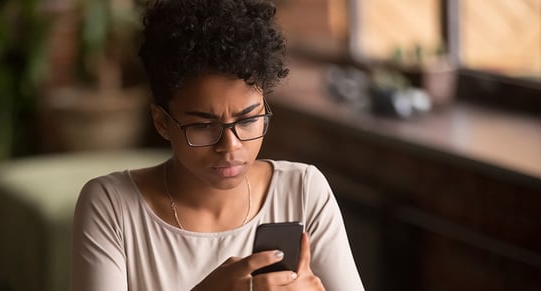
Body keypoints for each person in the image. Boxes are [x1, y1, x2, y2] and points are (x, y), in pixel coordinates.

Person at [70, 0, 365, 290]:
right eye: (203, 126)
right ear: (162, 122)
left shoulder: (303, 191)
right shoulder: (112, 207)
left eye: (248, 120)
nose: (230, 146)